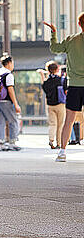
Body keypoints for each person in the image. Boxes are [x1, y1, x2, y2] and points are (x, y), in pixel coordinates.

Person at [45, 14, 84, 162]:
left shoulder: (71, 40)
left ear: (79, 24)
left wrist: (53, 32)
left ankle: (62, 152)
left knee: (69, 120)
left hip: (74, 86)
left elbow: (55, 48)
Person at [0, 55, 22, 151]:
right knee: (13, 121)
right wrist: (16, 104)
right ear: (8, 63)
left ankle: (0, 143)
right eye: (12, 63)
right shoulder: (8, 74)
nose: (13, 65)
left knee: (0, 121)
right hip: (6, 101)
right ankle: (12, 142)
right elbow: (10, 89)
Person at [39, 61, 66, 149]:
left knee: (52, 124)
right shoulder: (60, 80)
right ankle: (59, 143)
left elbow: (44, 87)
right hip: (60, 104)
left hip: (50, 105)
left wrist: (42, 76)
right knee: (60, 125)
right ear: (57, 69)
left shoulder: (47, 81)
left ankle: (51, 140)